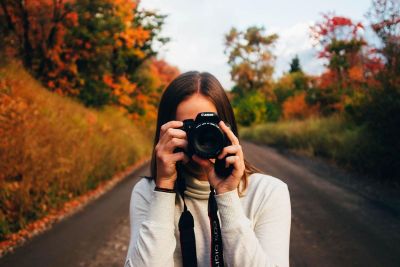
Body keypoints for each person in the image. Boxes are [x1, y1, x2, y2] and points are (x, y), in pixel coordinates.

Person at [124, 71, 291, 267]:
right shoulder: (148, 192)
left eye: (210, 127)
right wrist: (164, 187)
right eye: (190, 127)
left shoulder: (268, 192)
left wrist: (227, 194)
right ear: (166, 132)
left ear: (228, 129)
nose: (201, 137)